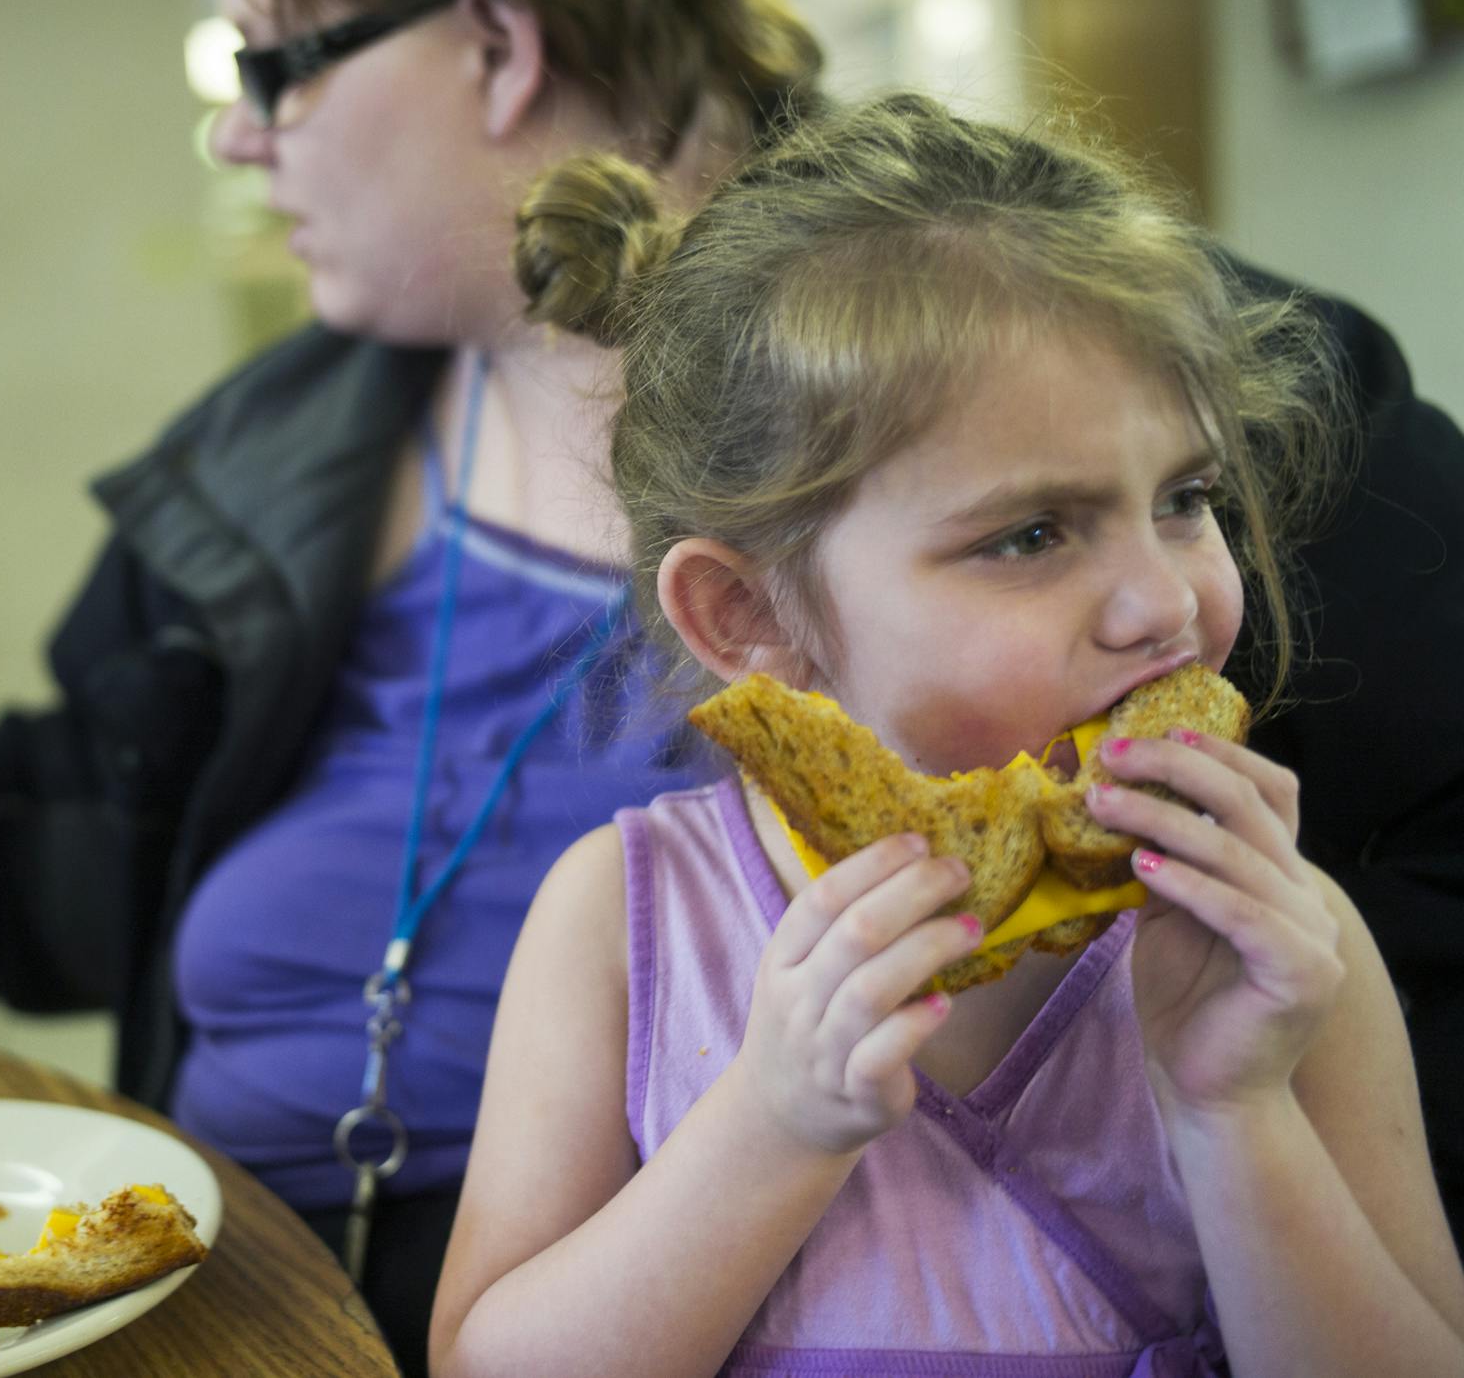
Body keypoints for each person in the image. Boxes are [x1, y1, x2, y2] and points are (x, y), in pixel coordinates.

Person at [0, 0, 824, 1371]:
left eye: (273, 63)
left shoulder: (880, 477)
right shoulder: (311, 433)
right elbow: (112, 825)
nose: (235, 130)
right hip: (207, 1293)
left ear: (495, 44)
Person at [428, 94, 1464, 1377]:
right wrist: (771, 1127)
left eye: (1185, 500)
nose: (1171, 606)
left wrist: (1233, 1107)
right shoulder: (625, 925)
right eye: (1031, 535)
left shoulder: (1291, 951)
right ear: (748, 612)